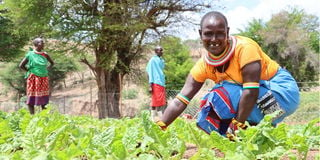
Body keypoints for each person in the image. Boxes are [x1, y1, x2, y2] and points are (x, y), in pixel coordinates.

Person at [156, 11, 300, 140]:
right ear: (200, 34)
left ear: (227, 32)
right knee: (208, 109)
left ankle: (244, 129)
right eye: (208, 34)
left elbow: (250, 91)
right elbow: (180, 100)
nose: (214, 39)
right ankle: (257, 136)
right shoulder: (203, 65)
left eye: (219, 33)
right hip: (260, 98)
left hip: (282, 93)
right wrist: (160, 126)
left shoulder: (244, 48)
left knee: (219, 94)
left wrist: (237, 124)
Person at [19, 38, 54, 114]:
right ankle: (32, 117)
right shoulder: (30, 54)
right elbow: (21, 65)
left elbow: (52, 63)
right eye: (41, 42)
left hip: (44, 78)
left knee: (43, 98)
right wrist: (30, 71)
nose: (43, 44)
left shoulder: (45, 54)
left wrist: (46, 69)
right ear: (36, 44)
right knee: (31, 97)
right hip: (33, 78)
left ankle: (44, 116)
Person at [146, 46, 166, 121]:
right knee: (157, 100)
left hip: (161, 82)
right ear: (156, 51)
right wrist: (150, 85)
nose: (162, 52)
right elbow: (149, 72)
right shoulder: (152, 60)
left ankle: (152, 118)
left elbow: (162, 68)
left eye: (162, 50)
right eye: (160, 50)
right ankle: (160, 118)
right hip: (155, 82)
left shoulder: (160, 60)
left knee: (157, 101)